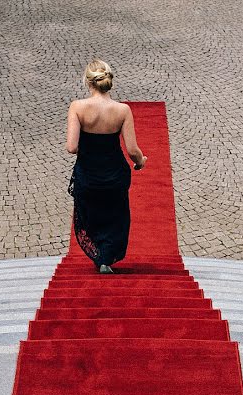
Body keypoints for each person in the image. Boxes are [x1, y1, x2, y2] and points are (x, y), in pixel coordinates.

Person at [66, 59, 148, 273]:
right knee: (115, 215)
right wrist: (141, 162)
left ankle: (98, 253)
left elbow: (71, 147)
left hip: (88, 173)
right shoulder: (122, 110)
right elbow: (132, 150)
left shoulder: (77, 107)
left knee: (91, 213)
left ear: (87, 82)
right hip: (114, 174)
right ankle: (106, 257)